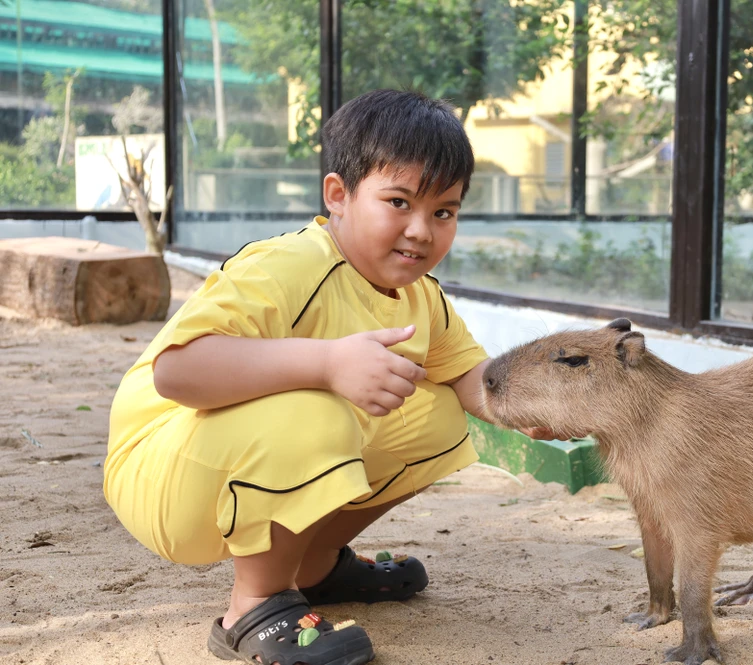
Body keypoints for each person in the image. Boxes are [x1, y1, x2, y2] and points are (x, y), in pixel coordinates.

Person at [103, 89, 553, 665]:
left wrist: (531, 404)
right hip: (162, 472)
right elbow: (176, 371)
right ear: (338, 195)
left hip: (229, 472)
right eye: (399, 202)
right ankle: (255, 605)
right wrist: (326, 363)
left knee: (437, 413)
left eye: (443, 212)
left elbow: (469, 375)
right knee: (317, 405)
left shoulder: (421, 297)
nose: (422, 230)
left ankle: (313, 567)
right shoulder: (287, 266)